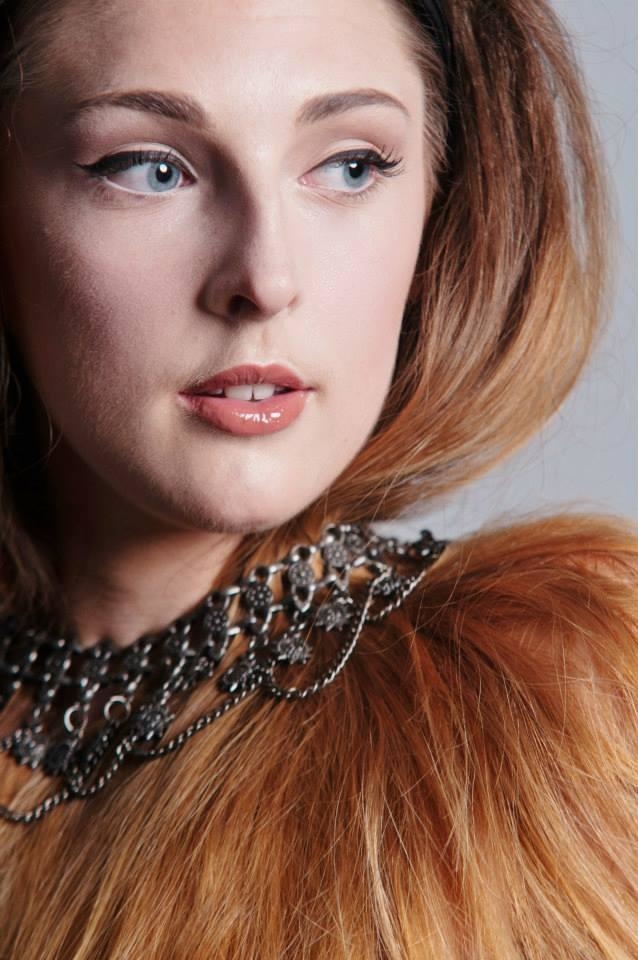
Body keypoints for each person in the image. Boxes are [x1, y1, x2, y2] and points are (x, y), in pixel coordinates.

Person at [0, 0, 635, 956]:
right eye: (148, 168)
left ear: (439, 204)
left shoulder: (558, 712)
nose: (265, 278)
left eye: (350, 166)